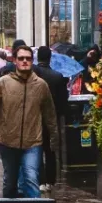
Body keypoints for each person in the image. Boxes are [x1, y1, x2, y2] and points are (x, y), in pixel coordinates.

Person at [0, 44, 58, 199]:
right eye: (21, 58)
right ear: (15, 61)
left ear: (32, 61)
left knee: (31, 177)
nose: (25, 61)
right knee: (10, 182)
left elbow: (49, 113)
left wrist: (54, 137)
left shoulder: (41, 85)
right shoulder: (3, 83)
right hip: (7, 141)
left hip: (33, 142)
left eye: (28, 58)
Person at [33, 46, 70, 191]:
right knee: (51, 150)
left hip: (36, 118)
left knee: (37, 149)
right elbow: (63, 100)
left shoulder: (34, 75)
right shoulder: (58, 76)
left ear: (38, 57)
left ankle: (41, 181)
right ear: (50, 58)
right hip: (53, 119)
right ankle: (50, 181)